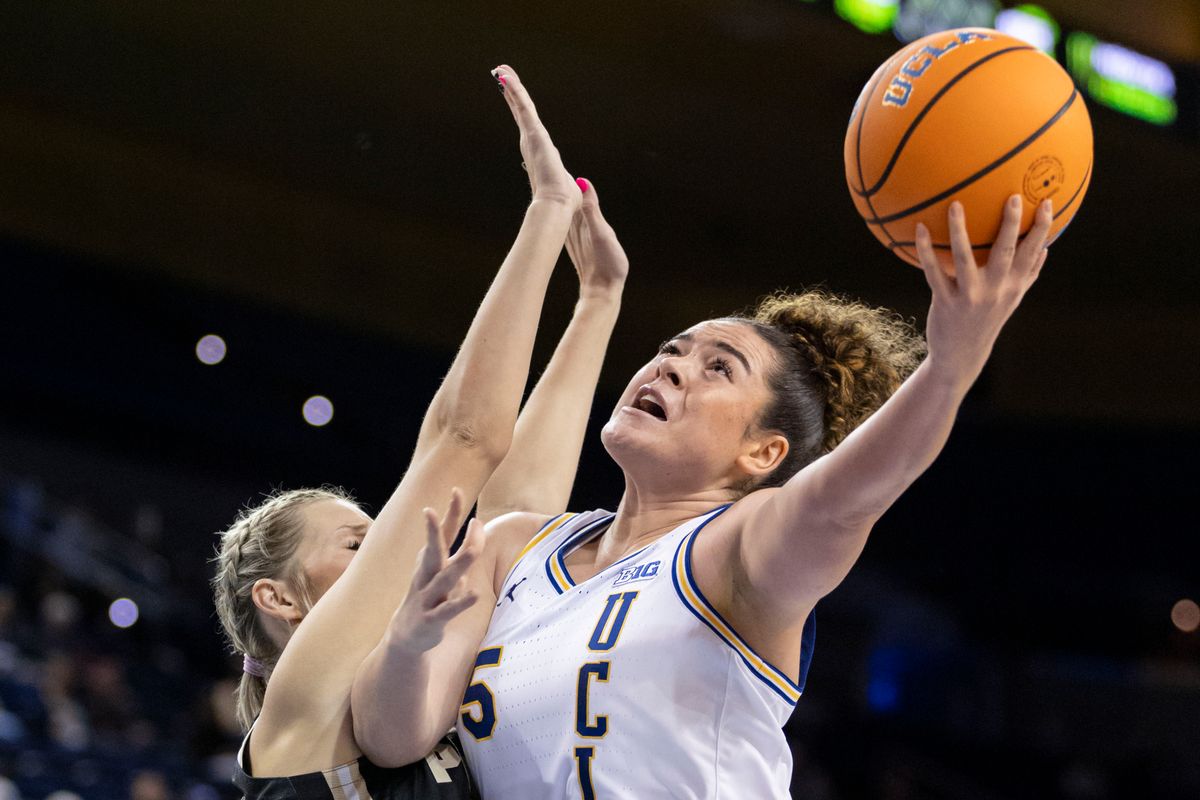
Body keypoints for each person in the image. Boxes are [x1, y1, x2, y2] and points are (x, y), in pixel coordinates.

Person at [352, 67, 1057, 798]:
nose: (672, 368)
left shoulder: (738, 554)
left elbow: (847, 496)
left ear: (765, 453)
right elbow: (390, 735)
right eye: (671, 351)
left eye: (718, 368)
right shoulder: (511, 547)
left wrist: (950, 368)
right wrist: (412, 637)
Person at [210, 63, 629, 800]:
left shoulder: (420, 680)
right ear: (280, 600)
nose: (390, 552)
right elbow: (462, 444)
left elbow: (516, 512)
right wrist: (546, 211)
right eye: (358, 545)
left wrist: (596, 302)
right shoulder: (303, 704)